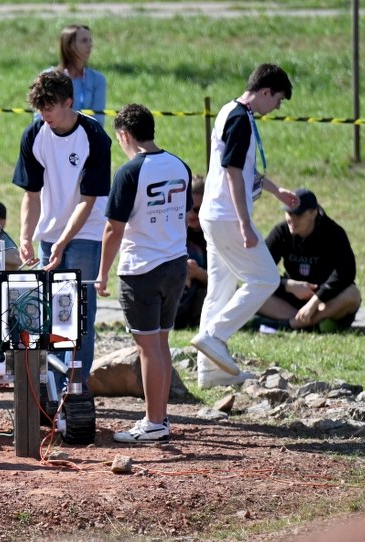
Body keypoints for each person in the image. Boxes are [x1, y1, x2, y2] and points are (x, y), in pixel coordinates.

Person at [192, 63, 298, 388]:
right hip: (227, 216)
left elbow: (238, 166)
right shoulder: (241, 118)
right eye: (277, 100)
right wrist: (244, 223)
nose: (276, 108)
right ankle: (215, 335)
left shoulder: (230, 111)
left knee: (219, 289)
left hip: (213, 214)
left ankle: (210, 371)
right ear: (265, 92)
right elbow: (233, 172)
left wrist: (275, 189)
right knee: (265, 279)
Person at [96, 104, 192, 442]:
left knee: (148, 348)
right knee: (161, 344)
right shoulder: (180, 165)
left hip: (141, 270)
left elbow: (113, 229)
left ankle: (153, 422)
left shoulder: (129, 172)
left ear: (124, 134)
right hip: (176, 264)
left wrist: (102, 272)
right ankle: (160, 418)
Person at [13, 70, 111, 387]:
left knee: (80, 312)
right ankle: (56, 385)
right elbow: (31, 194)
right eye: (40, 107)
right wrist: (27, 235)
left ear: (69, 101)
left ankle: (77, 386)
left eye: (50, 106)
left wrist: (63, 240)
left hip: (86, 233)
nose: (45, 114)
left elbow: (88, 200)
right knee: (53, 312)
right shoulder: (34, 134)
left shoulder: (94, 136)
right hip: (50, 235)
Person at [257, 188, 362, 331]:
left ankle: (293, 324)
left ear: (313, 212)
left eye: (298, 214)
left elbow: (346, 273)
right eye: (289, 213)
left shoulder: (333, 233)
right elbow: (258, 269)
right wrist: (288, 285)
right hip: (292, 297)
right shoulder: (281, 232)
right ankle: (308, 323)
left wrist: (314, 301)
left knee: (352, 294)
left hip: (325, 301)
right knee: (246, 291)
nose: (291, 219)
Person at [54, 24, 107, 125]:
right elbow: (40, 118)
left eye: (90, 40)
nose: (90, 45)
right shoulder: (49, 78)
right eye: (84, 40)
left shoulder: (98, 80)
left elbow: (98, 121)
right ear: (70, 46)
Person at [174, 175, 208, 328]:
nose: (192, 214)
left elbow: (226, 283)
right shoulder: (174, 229)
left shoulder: (213, 235)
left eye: (197, 209)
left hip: (202, 296)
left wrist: (198, 273)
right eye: (187, 208)